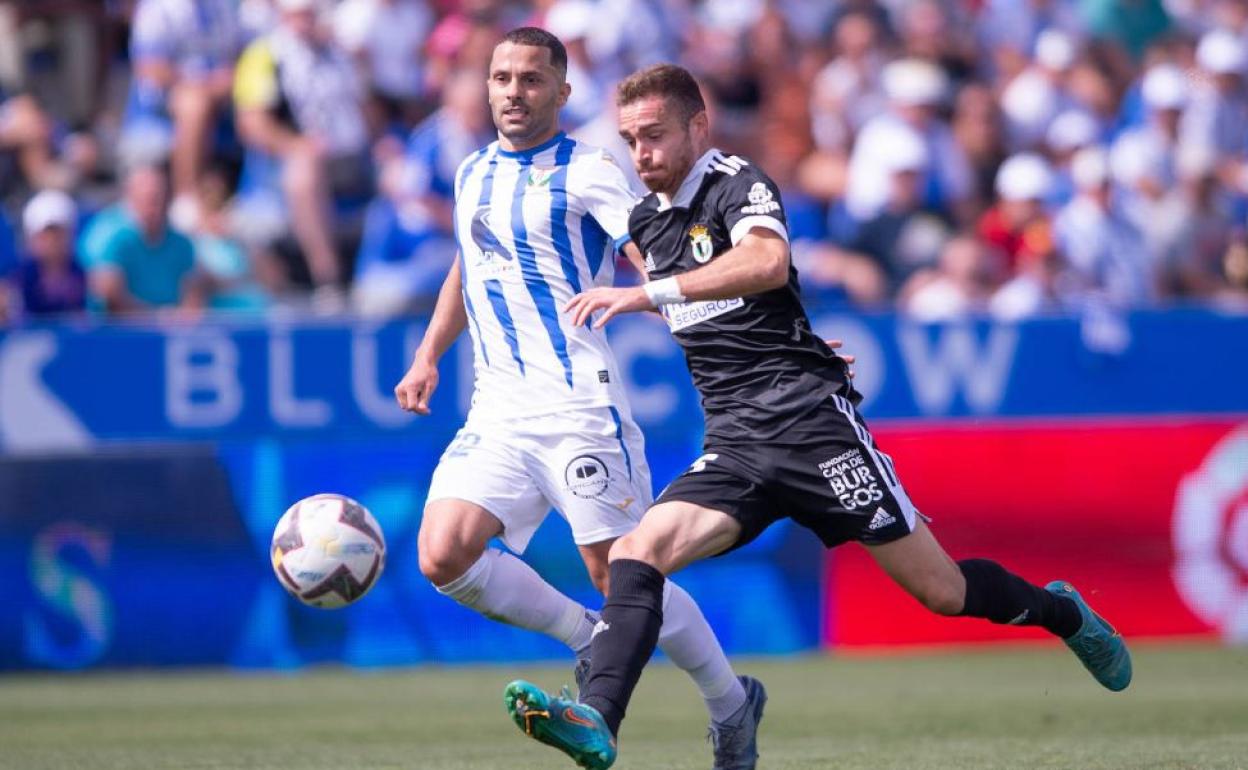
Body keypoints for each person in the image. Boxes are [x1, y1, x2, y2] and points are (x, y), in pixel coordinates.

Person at [503, 63, 1133, 770]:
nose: (641, 153)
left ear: (698, 127)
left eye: (654, 135)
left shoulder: (738, 183)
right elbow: (742, 305)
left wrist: (653, 294)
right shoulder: (646, 221)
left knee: (944, 592)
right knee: (633, 555)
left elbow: (767, 262)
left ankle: (1064, 614)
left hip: (813, 427)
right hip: (737, 442)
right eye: (630, 140)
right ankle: (599, 721)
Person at [391, 29, 763, 770]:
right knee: (442, 553)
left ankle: (731, 703)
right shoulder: (470, 171)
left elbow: (660, 261)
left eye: (531, 80)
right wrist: (428, 353)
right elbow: (469, 269)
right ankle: (584, 636)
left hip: (577, 407)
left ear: (562, 93)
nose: (512, 92)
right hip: (496, 409)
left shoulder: (589, 171)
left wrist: (743, 329)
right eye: (501, 77)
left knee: (624, 573)